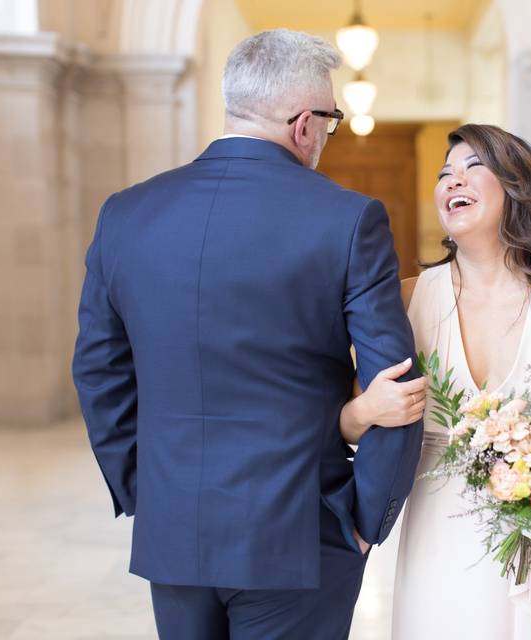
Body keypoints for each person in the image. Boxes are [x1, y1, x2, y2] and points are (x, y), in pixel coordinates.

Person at [72, 29, 424, 640]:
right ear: (304, 125)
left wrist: (148, 491)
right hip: (299, 532)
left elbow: (99, 370)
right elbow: (395, 381)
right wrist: (367, 521)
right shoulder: (348, 219)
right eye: (331, 121)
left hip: (174, 526)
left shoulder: (126, 214)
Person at [340, 124, 531, 639]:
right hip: (440, 542)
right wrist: (364, 412)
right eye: (445, 174)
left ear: (517, 189)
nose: (452, 182)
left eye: (472, 169)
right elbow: (349, 427)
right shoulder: (405, 303)